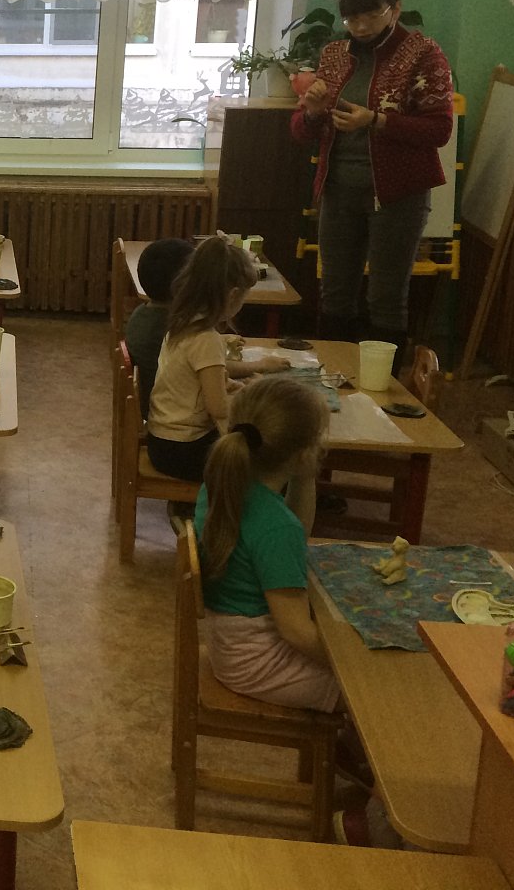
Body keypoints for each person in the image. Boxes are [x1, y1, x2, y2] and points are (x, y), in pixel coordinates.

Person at [290, 0, 454, 351]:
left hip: (398, 196)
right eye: (351, 18)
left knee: (386, 297)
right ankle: (333, 377)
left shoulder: (423, 54)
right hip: (339, 191)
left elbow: (439, 130)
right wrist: (313, 111)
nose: (361, 27)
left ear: (394, 9)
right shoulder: (334, 55)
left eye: (371, 16)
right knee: (334, 294)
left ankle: (384, 385)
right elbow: (300, 130)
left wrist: (376, 121)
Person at [193, 376, 332, 711]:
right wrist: (351, 662)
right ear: (303, 454)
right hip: (258, 664)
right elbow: (296, 632)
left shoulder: (221, 487)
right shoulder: (275, 526)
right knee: (377, 689)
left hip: (231, 646)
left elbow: (294, 537)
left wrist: (305, 477)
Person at [146, 236, 289, 483]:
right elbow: (218, 409)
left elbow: (196, 379)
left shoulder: (182, 322)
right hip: (183, 449)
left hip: (163, 441)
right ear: (233, 296)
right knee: (270, 462)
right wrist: (252, 393)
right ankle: (251, 507)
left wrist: (229, 385)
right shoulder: (206, 338)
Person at [125, 238, 195, 416]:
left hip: (153, 405)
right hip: (172, 411)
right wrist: (258, 366)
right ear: (182, 286)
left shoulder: (141, 313)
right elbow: (206, 368)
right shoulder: (172, 328)